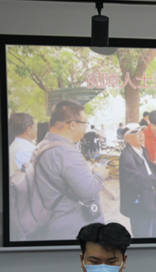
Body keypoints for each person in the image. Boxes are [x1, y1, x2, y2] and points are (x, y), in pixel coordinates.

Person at [33, 99, 106, 240]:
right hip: (73, 229)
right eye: (85, 123)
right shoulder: (65, 152)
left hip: (54, 222)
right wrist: (99, 173)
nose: (86, 127)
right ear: (73, 125)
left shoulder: (44, 145)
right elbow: (88, 190)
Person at [119, 123, 156, 238]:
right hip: (139, 207)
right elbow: (137, 180)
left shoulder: (141, 150)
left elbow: (145, 172)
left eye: (142, 132)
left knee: (152, 235)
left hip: (148, 202)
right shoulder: (126, 156)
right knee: (144, 238)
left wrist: (154, 165)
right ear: (127, 138)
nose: (141, 135)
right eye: (136, 133)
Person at [7, 112, 37, 176]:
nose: (36, 129)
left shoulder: (14, 145)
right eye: (35, 126)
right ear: (29, 130)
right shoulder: (27, 149)